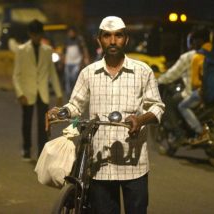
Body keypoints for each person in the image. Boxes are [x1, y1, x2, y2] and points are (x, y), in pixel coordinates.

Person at [48, 16, 164, 214]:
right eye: (107, 36)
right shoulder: (88, 73)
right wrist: (62, 112)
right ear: (99, 40)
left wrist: (140, 119)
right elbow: (76, 104)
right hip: (100, 165)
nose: (112, 41)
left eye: (118, 36)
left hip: (134, 165)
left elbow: (157, 107)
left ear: (125, 39)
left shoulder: (143, 71)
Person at [12, 19, 63, 160]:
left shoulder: (47, 50)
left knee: (44, 124)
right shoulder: (22, 50)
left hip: (43, 92)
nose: (36, 37)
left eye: (39, 34)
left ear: (42, 34)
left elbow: (52, 72)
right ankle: (26, 148)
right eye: (34, 34)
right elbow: (16, 75)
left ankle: (42, 151)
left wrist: (59, 93)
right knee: (27, 122)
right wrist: (20, 93)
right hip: (27, 92)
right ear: (30, 34)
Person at [177, 27, 214, 144]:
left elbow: (195, 83)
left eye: (194, 41)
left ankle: (200, 132)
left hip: (205, 93)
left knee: (182, 106)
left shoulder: (197, 57)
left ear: (198, 41)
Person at [157, 32, 196, 144]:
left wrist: (157, 81)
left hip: (194, 93)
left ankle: (179, 134)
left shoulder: (189, 57)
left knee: (169, 103)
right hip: (213, 92)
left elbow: (172, 74)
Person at [62, 26, 90, 99]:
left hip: (77, 63)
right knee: (68, 80)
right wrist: (63, 60)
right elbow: (64, 51)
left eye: (72, 32)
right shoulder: (66, 40)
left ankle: (76, 94)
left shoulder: (79, 39)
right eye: (69, 32)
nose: (71, 33)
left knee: (74, 78)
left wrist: (85, 59)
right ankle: (69, 95)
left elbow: (84, 49)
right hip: (68, 63)